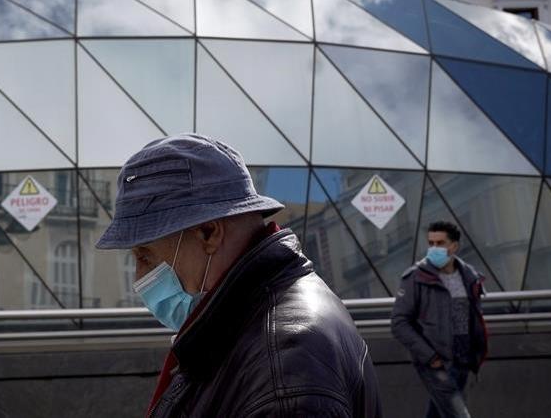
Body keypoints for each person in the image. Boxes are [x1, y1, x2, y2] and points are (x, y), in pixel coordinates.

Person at [96, 133, 382, 417]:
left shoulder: (282, 367)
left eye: (145, 256)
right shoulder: (252, 324)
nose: (139, 277)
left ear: (209, 232)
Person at [390, 221, 489, 418]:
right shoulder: (416, 277)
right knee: (458, 414)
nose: (434, 249)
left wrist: (475, 351)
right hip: (436, 363)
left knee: (439, 413)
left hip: (463, 359)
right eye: (431, 243)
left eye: (440, 243)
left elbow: (474, 316)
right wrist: (430, 357)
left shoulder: (469, 275)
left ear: (454, 246)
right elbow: (399, 322)